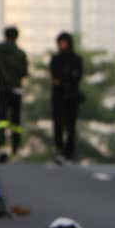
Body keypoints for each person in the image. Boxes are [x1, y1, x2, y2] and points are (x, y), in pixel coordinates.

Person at [0, 26, 29, 162]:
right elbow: (24, 72)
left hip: (2, 88)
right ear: (17, 36)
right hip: (16, 89)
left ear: (5, 35)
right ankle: (15, 148)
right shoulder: (21, 53)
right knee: (15, 119)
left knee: (2, 117)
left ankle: (1, 146)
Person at [49, 32, 83, 163]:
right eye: (60, 42)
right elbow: (55, 77)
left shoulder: (76, 59)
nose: (61, 45)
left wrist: (65, 79)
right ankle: (59, 150)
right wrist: (66, 78)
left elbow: (77, 76)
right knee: (58, 124)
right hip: (58, 96)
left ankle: (70, 151)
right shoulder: (56, 59)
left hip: (72, 95)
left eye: (64, 42)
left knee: (71, 125)